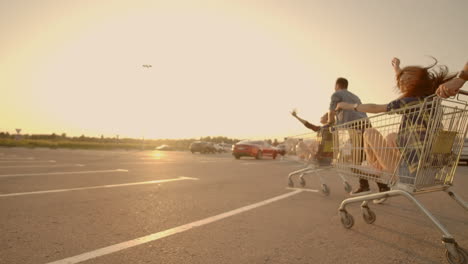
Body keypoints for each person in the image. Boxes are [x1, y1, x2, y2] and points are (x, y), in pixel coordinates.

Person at [336, 57, 456, 184]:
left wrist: (350, 106)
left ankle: (373, 167)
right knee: (392, 137)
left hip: (411, 174)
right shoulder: (433, 101)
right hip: (429, 173)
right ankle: (378, 166)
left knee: (369, 133)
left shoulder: (411, 102)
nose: (401, 87)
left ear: (412, 83)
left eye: (403, 83)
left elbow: (375, 108)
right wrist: (397, 69)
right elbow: (409, 83)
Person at [328, 77, 389, 194]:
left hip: (355, 128)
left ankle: (371, 186)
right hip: (366, 125)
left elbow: (331, 112)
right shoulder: (355, 96)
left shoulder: (336, 94)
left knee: (356, 160)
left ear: (337, 85)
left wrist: (330, 123)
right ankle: (376, 185)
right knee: (364, 159)